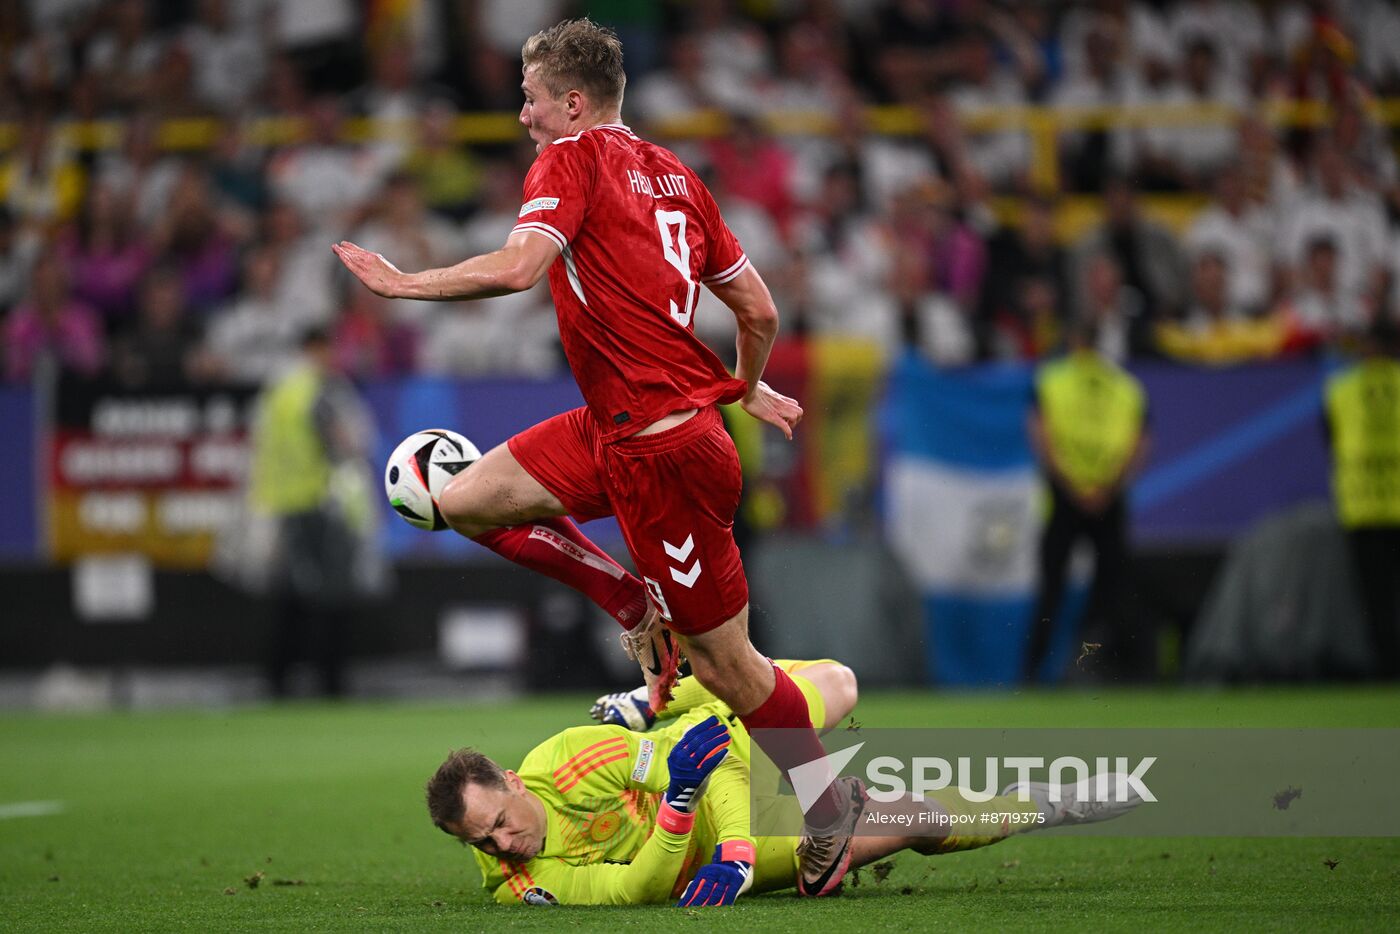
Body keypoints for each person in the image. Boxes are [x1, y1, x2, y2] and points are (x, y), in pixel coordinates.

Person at [333, 18, 861, 895]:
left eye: (533, 99)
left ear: (574, 103)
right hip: (612, 429)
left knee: (732, 670)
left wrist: (405, 281)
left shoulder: (571, 161)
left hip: (666, 459)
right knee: (460, 500)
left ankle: (827, 811)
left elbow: (516, 268)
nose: (522, 116)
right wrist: (741, 384)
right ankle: (630, 599)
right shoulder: (679, 178)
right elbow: (759, 312)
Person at [425, 660, 1142, 906]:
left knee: (835, 685)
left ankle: (662, 695)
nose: (501, 843)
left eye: (498, 821)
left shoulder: (569, 758)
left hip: (726, 814)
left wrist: (716, 825)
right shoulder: (516, 883)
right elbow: (631, 891)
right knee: (913, 819)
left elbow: (709, 765)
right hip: (702, 868)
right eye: (481, 842)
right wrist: (692, 825)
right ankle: (1049, 805)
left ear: (514, 781)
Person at [247, 328, 382, 697]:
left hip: (283, 503)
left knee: (289, 598)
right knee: (332, 596)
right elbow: (344, 443)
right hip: (321, 503)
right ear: (316, 349)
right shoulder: (320, 391)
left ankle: (277, 681)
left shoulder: (278, 393)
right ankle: (330, 682)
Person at [1023, 321, 1150, 683]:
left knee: (1051, 592)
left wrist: (1071, 484)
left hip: (1065, 496)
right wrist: (1108, 486)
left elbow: (1039, 432)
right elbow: (1141, 441)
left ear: (1074, 339)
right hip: (1108, 497)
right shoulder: (1125, 386)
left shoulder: (1053, 379)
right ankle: (1116, 671)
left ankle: (1032, 675)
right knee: (1113, 590)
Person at [1324, 318, 1400, 678]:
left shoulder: (1342, 389)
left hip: (1364, 506)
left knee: (1377, 601)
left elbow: (1329, 440)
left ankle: (1386, 671)